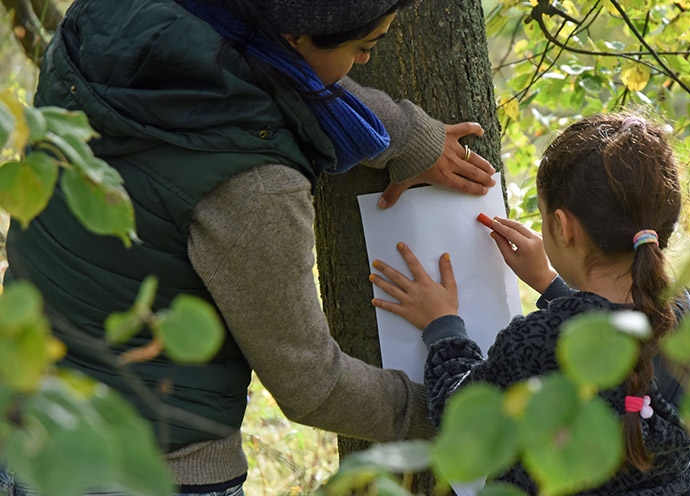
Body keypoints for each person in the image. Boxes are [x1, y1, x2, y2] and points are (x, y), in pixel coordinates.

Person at [3, 0, 497, 493]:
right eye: (362, 46)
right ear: (297, 36)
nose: (366, 61)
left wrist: (403, 134)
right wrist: (452, 409)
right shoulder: (254, 186)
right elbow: (314, 386)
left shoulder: (104, 21)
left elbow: (262, 66)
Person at [370, 114, 690, 494]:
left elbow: (463, 416)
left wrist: (443, 325)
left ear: (563, 228)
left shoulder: (541, 342)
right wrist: (550, 285)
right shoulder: (688, 315)